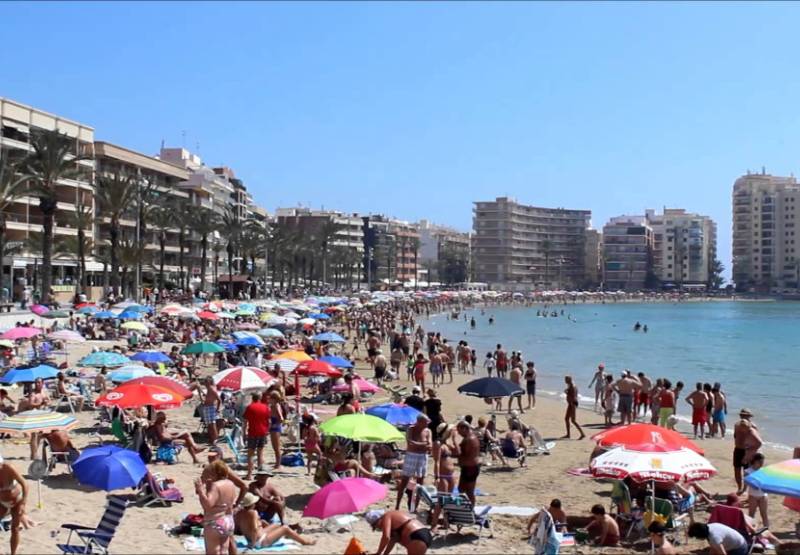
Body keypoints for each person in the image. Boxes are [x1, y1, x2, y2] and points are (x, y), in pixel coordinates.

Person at [234, 492, 314, 549]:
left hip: (250, 539)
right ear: (252, 504)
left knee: (276, 525)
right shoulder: (253, 513)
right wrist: (253, 544)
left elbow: (245, 528)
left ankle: (285, 535)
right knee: (285, 528)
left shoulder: (240, 513)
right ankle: (304, 542)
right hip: (259, 542)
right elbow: (254, 529)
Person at [195, 460, 238, 555]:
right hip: (228, 520)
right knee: (224, 551)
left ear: (215, 473)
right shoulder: (230, 484)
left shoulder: (216, 486)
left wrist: (201, 491)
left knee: (213, 552)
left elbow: (208, 505)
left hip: (214, 522)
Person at [395, 414, 432, 511]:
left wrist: (418, 444)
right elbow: (410, 443)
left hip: (422, 456)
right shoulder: (411, 429)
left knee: (420, 482)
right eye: (425, 422)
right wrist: (423, 444)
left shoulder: (427, 431)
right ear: (419, 422)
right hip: (412, 455)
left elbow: (430, 445)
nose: (427, 424)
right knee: (404, 481)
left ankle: (414, 508)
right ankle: (397, 505)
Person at [0, 456, 35, 555]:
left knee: (14, 529)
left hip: (17, 501)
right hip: (2, 502)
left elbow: (25, 484)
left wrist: (23, 503)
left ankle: (13, 553)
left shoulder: (8, 468)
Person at [366, 509, 432, 555]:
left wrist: (378, 553)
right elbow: (393, 539)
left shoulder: (387, 516)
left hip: (417, 536)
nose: (379, 528)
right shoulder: (394, 517)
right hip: (424, 534)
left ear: (379, 519)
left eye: (376, 525)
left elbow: (386, 537)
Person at [733, 408, 762, 494]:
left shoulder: (753, 426)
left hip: (747, 451)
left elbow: (758, 440)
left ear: (749, 416)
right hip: (738, 449)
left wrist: (751, 451)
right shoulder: (737, 425)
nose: (743, 416)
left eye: (745, 415)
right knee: (737, 469)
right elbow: (735, 436)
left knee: (747, 471)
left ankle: (745, 489)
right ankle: (739, 487)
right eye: (742, 415)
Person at [242, 392, 269, 480]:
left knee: (250, 454)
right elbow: (268, 421)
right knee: (260, 454)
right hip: (263, 432)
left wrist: (243, 433)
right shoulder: (265, 407)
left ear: (252, 398)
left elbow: (245, 422)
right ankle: (259, 475)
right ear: (260, 398)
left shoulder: (250, 407)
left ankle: (249, 475)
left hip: (253, 432)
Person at [455, 419, 481, 507]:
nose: (459, 434)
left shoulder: (469, 439)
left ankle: (472, 508)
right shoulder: (471, 437)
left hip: (470, 468)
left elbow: (463, 454)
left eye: (459, 431)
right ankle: (464, 506)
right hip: (468, 467)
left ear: (465, 428)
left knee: (469, 491)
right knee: (461, 488)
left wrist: (454, 447)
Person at [745, 453, 769, 528]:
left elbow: (766, 482)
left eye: (762, 462)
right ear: (755, 461)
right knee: (751, 514)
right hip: (753, 495)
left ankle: (766, 530)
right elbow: (746, 482)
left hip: (763, 495)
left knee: (764, 514)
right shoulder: (748, 471)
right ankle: (750, 530)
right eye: (760, 462)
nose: (762, 464)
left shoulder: (764, 471)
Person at [562, 375, 585, 439]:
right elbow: (570, 393)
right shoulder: (569, 385)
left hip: (572, 404)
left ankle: (582, 434)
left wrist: (572, 404)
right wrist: (567, 392)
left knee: (573, 420)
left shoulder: (572, 386)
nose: (565, 381)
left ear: (569, 379)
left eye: (566, 379)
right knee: (566, 419)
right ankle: (568, 434)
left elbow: (574, 396)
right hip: (570, 404)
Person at [201, 377, 221, 445]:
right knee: (209, 425)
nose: (205, 384)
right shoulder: (210, 388)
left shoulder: (212, 389)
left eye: (205, 382)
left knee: (212, 424)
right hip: (207, 407)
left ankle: (215, 440)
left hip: (210, 408)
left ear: (208, 382)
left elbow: (219, 400)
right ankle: (212, 439)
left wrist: (217, 409)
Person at [267, 391, 284, 469]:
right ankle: (277, 463)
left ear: (274, 399)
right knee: (274, 447)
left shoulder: (276, 406)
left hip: (276, 428)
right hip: (273, 427)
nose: (269, 399)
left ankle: (278, 464)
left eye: (270, 397)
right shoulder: (272, 406)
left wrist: (273, 425)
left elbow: (281, 418)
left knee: (276, 447)